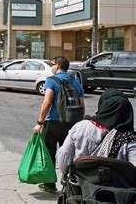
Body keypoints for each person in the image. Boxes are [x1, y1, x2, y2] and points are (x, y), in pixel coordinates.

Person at [33, 56, 85, 193]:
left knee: (49, 153)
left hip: (53, 122)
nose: (52, 66)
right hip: (71, 123)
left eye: (53, 64)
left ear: (57, 66)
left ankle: (49, 184)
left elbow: (47, 102)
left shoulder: (51, 81)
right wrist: (79, 122)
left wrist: (39, 122)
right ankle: (68, 185)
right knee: (68, 153)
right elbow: (81, 104)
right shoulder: (74, 81)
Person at [57, 88, 136, 172]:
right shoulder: (129, 139)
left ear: (103, 106)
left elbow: (64, 157)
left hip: (80, 182)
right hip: (116, 184)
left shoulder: (81, 127)